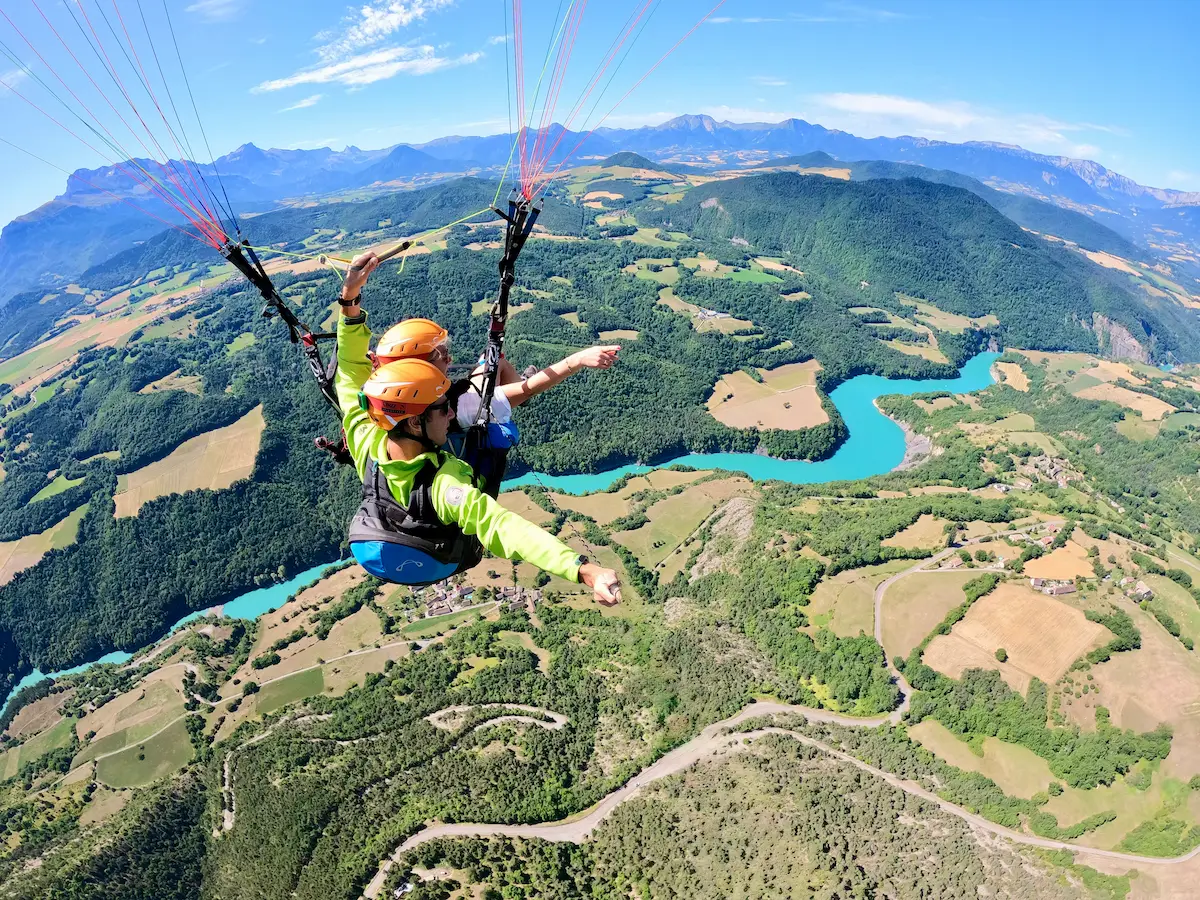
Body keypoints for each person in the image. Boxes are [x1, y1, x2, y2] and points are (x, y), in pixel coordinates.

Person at [334, 251, 621, 604]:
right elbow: (501, 527)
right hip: (439, 554)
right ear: (413, 421)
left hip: (382, 535)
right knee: (492, 380)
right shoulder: (443, 486)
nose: (450, 415)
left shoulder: (366, 435)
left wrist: (349, 301)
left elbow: (349, 372)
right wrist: (582, 569)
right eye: (441, 409)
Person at [370, 314, 620, 494]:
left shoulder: (383, 401)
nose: (450, 358)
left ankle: (507, 393)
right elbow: (531, 388)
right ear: (419, 367)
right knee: (517, 388)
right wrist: (578, 360)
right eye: (442, 355)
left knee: (493, 361)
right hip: (473, 420)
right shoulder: (467, 404)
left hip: (437, 421)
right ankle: (506, 400)